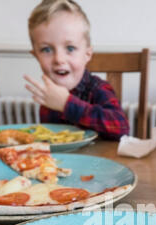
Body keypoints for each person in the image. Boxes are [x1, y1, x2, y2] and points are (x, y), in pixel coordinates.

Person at [25, 0, 129, 140]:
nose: (59, 59)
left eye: (70, 48)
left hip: (101, 160)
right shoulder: (48, 95)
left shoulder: (98, 89)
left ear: (87, 54)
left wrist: (66, 104)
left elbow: (121, 127)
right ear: (36, 56)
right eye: (46, 49)